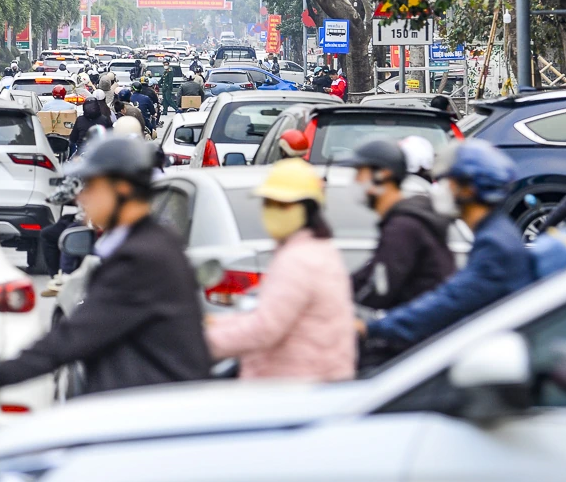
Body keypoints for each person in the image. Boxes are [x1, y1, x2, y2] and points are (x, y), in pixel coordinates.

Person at [0, 135, 213, 398]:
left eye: (91, 186)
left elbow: (75, 336)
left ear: (123, 188)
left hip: (145, 411)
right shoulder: (153, 242)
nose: (82, 197)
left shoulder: (140, 258)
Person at [358, 140, 534, 353]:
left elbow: (450, 302)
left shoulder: (494, 245)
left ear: (468, 189)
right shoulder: (495, 232)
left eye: (447, 182)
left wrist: (375, 329)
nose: (440, 190)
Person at [205, 159, 355, 381]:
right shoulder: (316, 250)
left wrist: (201, 342)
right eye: (269, 204)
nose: (274, 212)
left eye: (283, 205)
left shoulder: (298, 260)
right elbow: (271, 314)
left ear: (307, 208)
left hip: (294, 389)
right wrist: (218, 323)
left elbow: (264, 328)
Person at [343, 141, 455, 312]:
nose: (355, 181)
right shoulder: (404, 220)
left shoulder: (402, 228)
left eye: (359, 173)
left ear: (382, 174)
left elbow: (379, 288)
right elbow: (369, 274)